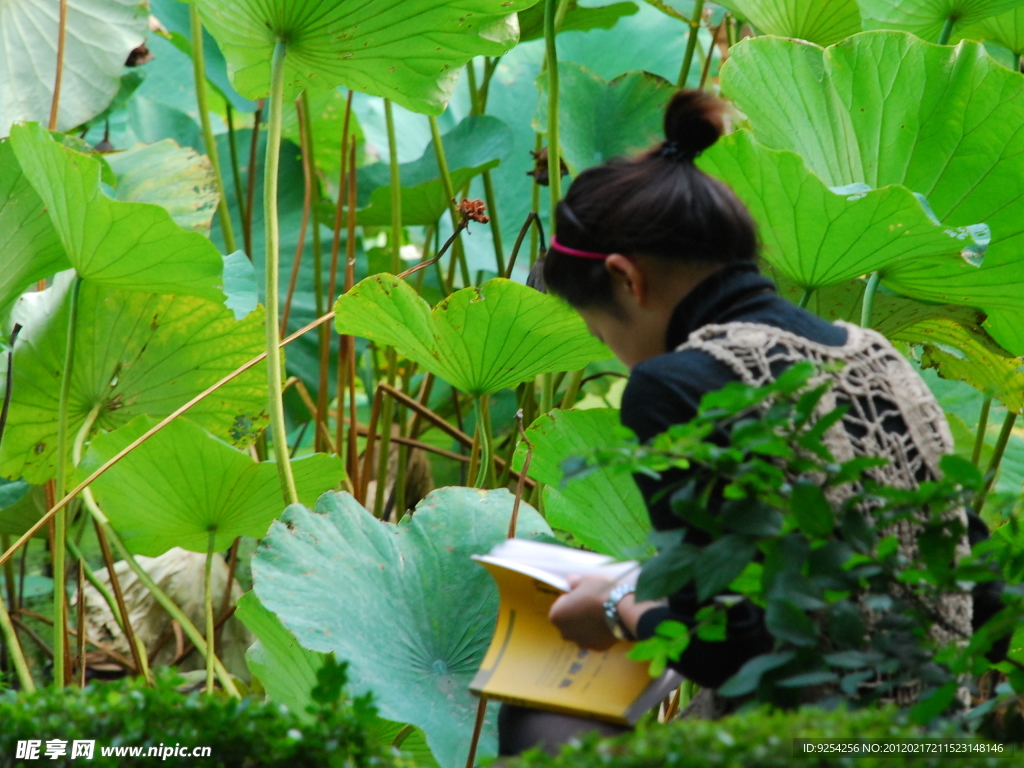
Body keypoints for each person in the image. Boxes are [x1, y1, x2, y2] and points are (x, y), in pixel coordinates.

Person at [497, 90, 1006, 756]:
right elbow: (985, 592)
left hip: (806, 744)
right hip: (937, 737)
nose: (612, 349)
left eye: (598, 329)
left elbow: (727, 645)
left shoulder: (673, 386)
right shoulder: (875, 357)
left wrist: (613, 610)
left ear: (627, 281)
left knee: (537, 704)